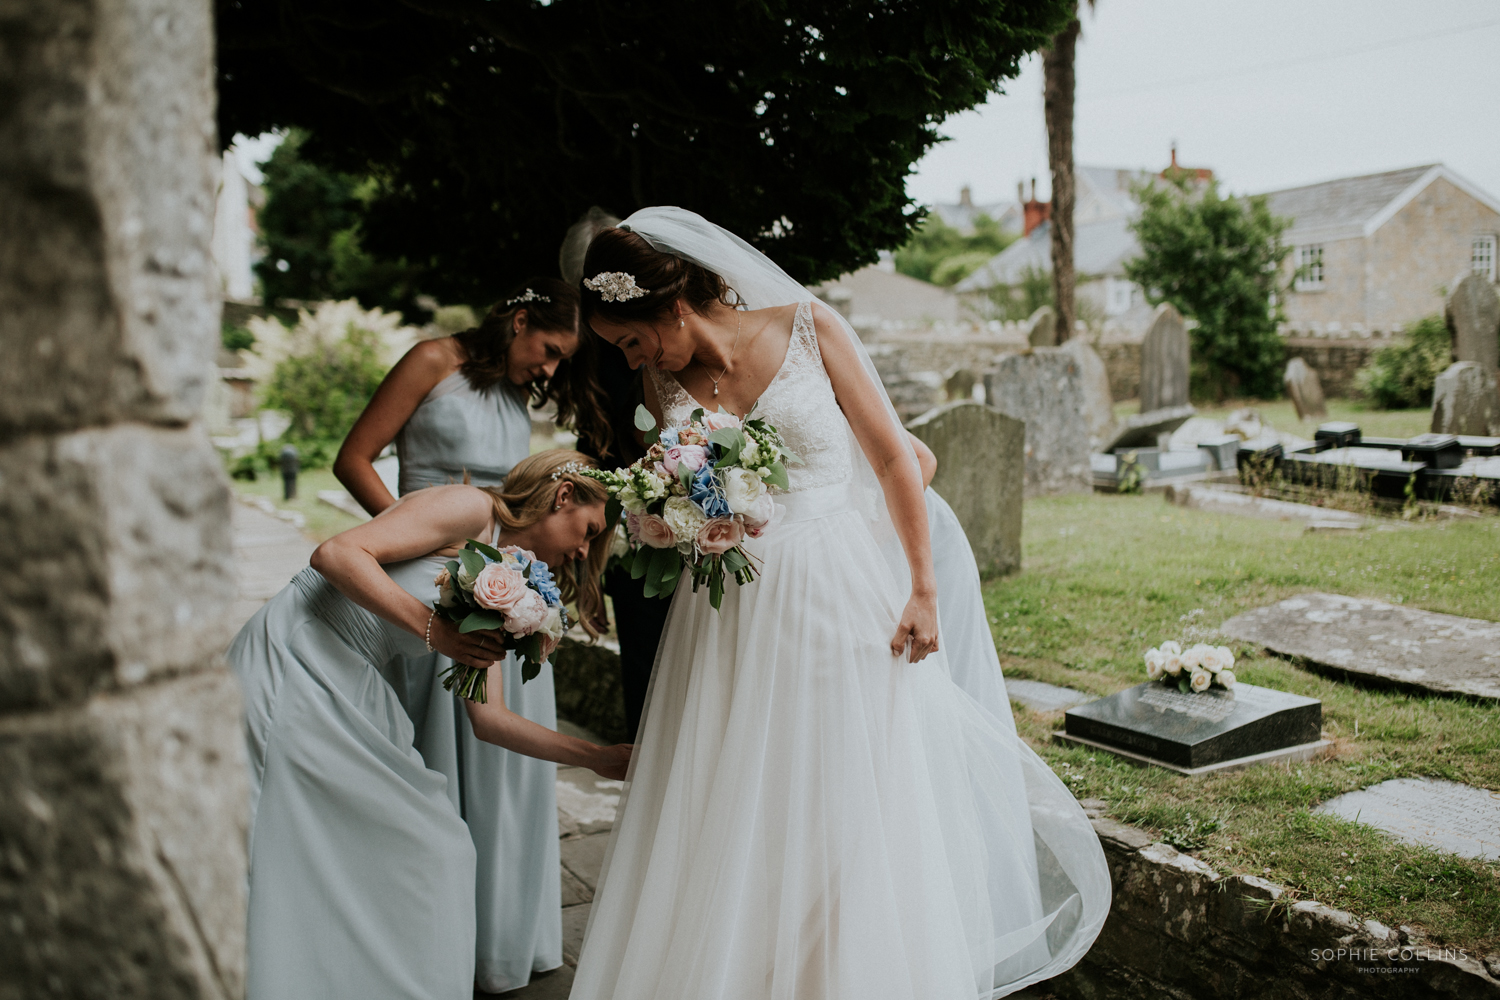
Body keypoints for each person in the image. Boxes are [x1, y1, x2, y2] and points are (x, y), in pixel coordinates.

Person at [567, 209, 1110, 1000]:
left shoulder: (810, 328)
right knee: (737, 798)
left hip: (839, 589)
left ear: (671, 306)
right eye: (621, 349)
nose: (631, 358)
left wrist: (922, 588)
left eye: (630, 339)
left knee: (858, 790)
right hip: (727, 618)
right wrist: (666, 519)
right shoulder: (663, 381)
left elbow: (895, 458)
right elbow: (685, 496)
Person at [229, 449, 630, 1000]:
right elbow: (337, 553)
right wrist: (433, 630)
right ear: (562, 497)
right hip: (298, 658)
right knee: (285, 837)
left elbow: (490, 720)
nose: (584, 551)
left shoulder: (508, 578)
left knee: (436, 851)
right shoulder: (469, 507)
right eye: (588, 531)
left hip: (356, 681)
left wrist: (596, 757)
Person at [333, 279, 611, 992]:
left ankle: (506, 940)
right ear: (519, 321)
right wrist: (418, 544)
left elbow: (530, 505)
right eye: (549, 349)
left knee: (513, 771)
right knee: (445, 770)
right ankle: (442, 939)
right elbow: (354, 457)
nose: (550, 369)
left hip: (510, 580)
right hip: (443, 575)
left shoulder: (517, 397)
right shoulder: (432, 360)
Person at [561, 209, 673, 737]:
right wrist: (590, 573)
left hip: (676, 517)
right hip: (628, 536)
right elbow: (595, 462)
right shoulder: (587, 357)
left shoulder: (656, 349)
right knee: (647, 678)